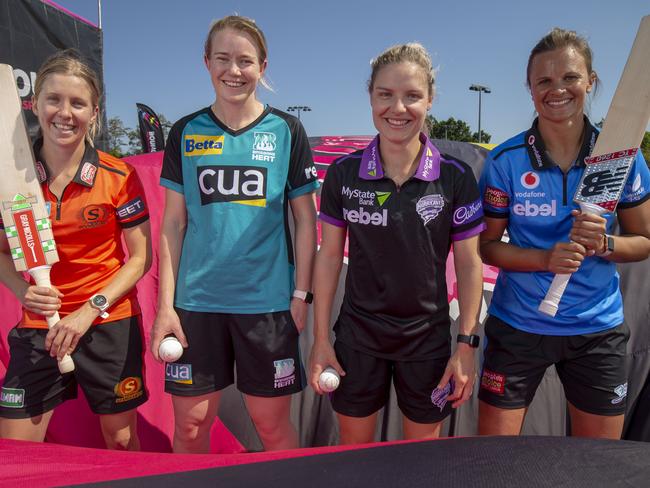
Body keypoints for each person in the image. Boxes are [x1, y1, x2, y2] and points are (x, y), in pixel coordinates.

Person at [150, 15, 319, 454]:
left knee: (271, 427)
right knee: (190, 427)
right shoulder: (185, 132)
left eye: (245, 60)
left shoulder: (286, 130)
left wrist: (301, 295)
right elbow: (172, 223)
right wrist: (165, 307)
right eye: (223, 58)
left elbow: (306, 220)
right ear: (206, 62)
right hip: (195, 306)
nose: (234, 70)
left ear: (262, 66)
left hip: (266, 306)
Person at [478, 28, 650, 439]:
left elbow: (644, 241)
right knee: (491, 463)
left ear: (590, 80)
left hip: (596, 329)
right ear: (530, 88)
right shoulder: (505, 161)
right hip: (518, 325)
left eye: (570, 77)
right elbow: (487, 247)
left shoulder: (621, 157)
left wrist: (605, 244)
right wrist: (543, 259)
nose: (558, 89)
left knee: (598, 466)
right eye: (544, 80)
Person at [309, 43, 485, 443]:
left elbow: (470, 264)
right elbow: (329, 256)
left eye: (412, 96)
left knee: (421, 466)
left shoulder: (456, 177)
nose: (398, 108)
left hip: (428, 343)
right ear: (370, 96)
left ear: (430, 100)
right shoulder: (342, 173)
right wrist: (320, 340)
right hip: (357, 340)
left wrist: (467, 346)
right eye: (385, 95)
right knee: (355, 461)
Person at [0, 50, 152, 449]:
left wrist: (87, 312)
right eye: (54, 99)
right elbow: (1, 252)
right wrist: (23, 291)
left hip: (107, 320)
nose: (64, 113)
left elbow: (139, 259)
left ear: (94, 111)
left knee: (121, 442)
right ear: (35, 104)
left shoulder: (118, 176)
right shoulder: (12, 179)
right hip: (40, 327)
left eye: (77, 103)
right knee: (16, 449)